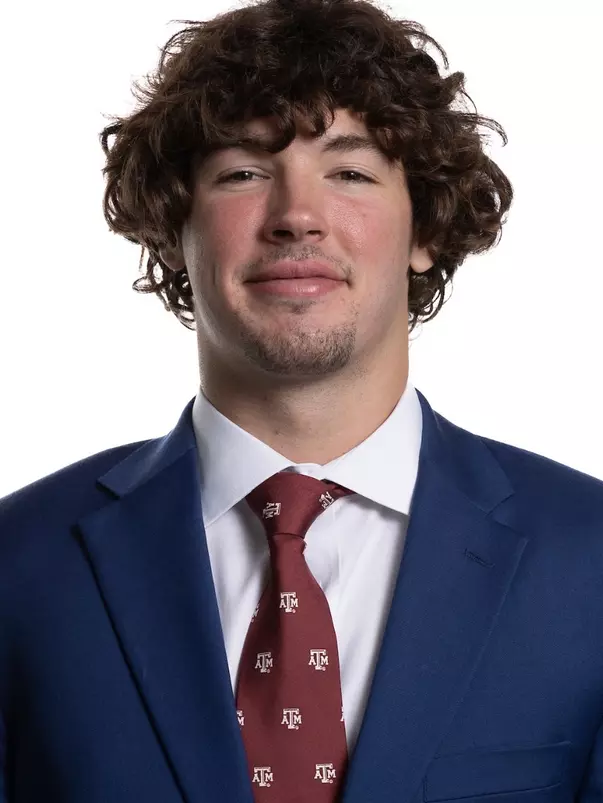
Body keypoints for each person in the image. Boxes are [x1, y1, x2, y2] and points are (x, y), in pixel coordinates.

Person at [1, 0, 602, 799]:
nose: (296, 217)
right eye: (243, 173)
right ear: (173, 230)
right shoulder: (19, 564)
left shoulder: (587, 559)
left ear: (424, 230)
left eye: (349, 172)